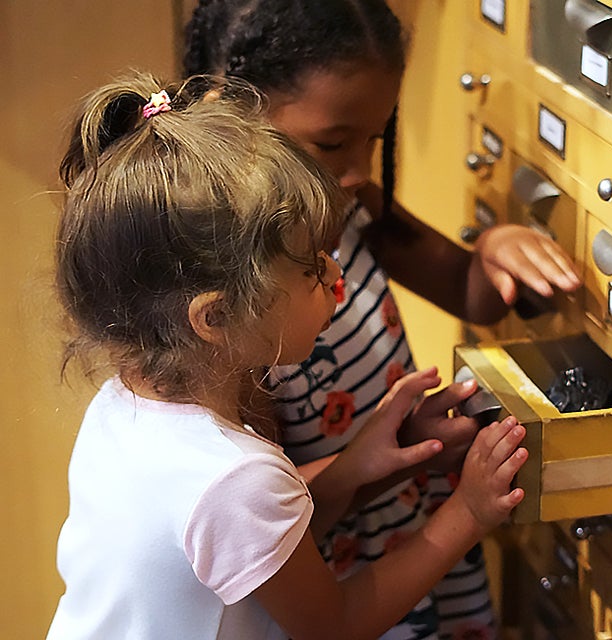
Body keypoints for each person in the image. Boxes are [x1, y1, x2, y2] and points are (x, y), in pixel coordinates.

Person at [46, 72, 528, 640]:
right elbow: (337, 624)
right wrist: (468, 512)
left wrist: (364, 467)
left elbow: (257, 553)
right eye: (311, 268)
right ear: (218, 317)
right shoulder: (234, 478)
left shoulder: (122, 404)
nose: (337, 274)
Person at [184, 2, 581, 637]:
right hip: (336, 571)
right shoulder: (238, 302)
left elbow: (469, 291)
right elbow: (274, 508)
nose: (360, 170)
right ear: (235, 115)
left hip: (409, 516)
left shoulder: (353, 203)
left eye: (377, 137)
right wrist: (397, 476)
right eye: (333, 142)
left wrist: (499, 245)